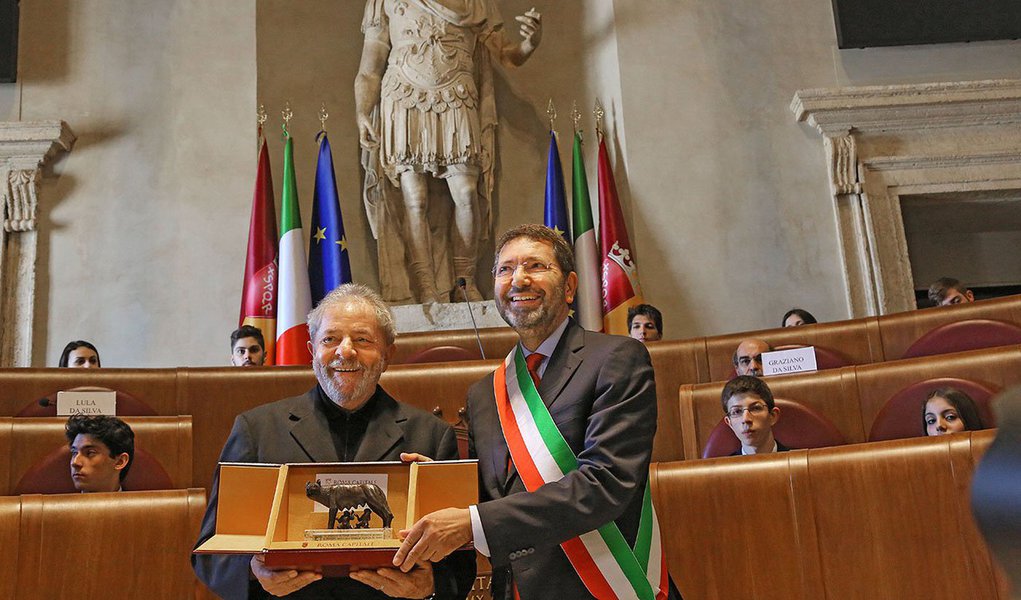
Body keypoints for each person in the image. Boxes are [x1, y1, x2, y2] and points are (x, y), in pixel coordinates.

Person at [393, 224, 679, 599]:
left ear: (570, 286)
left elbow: (606, 483)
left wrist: (473, 521)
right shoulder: (484, 394)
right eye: (505, 270)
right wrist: (442, 486)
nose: (519, 280)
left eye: (536, 266)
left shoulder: (617, 359)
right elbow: (496, 498)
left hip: (604, 586)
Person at [193, 283, 474, 600]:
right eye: (330, 339)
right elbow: (212, 551)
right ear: (313, 350)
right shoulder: (255, 431)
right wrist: (252, 572)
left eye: (362, 339)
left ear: (388, 353)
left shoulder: (432, 437)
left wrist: (431, 586)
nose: (345, 351)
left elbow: (460, 563)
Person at [355, 1, 542, 303]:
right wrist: (363, 111)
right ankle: (425, 286)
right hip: (404, 96)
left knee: (466, 192)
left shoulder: (474, 3)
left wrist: (531, 42)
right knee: (414, 200)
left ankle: (463, 279)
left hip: (457, 95)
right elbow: (370, 65)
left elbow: (507, 54)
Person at [721, 376, 789, 455]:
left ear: (773, 416)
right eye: (736, 412)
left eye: (755, 408)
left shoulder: (801, 463)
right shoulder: (724, 467)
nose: (746, 419)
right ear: (729, 423)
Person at [66, 414, 134, 493]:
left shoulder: (144, 505)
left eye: (90, 453)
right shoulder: (54, 504)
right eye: (74, 453)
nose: (75, 462)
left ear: (120, 461)